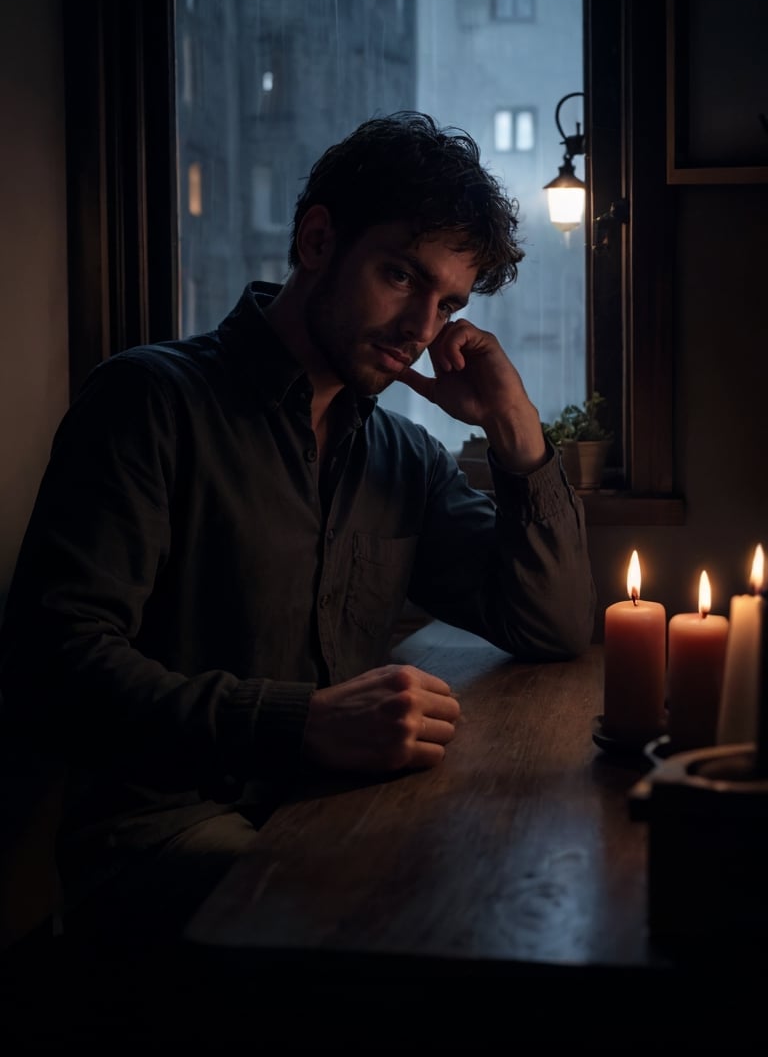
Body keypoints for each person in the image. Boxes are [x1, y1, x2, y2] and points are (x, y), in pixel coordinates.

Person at [0, 111, 595, 958]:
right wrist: (299, 723)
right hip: (164, 839)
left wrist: (518, 430)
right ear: (318, 239)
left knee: (521, 889)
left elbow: (554, 626)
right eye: (400, 276)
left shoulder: (400, 455)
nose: (422, 330)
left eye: (449, 304)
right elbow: (50, 665)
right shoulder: (148, 402)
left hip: (339, 810)